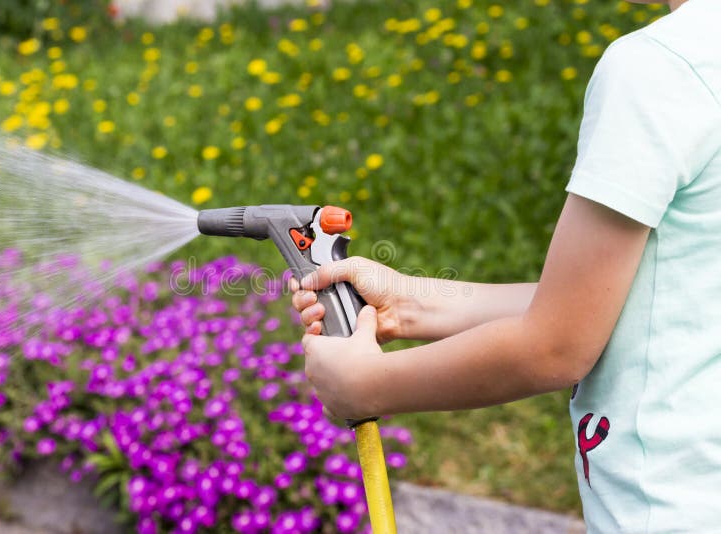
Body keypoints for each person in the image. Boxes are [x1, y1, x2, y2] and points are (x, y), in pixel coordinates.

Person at [290, 0, 721, 530]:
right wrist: (411, 303)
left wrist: (369, 385)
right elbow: (638, 301)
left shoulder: (659, 67)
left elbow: (557, 345)